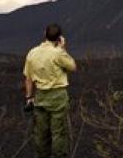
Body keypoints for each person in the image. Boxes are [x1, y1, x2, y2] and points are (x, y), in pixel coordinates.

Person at [23, 23, 78, 158]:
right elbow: (73, 67)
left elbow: (28, 78)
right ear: (59, 38)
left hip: (40, 96)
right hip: (58, 97)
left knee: (41, 133)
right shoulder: (58, 53)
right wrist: (63, 49)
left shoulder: (32, 53)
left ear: (45, 34)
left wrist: (29, 97)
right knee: (58, 133)